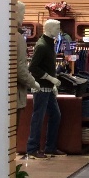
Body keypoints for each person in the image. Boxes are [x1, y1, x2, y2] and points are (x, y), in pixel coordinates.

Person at [25, 19, 66, 159]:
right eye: (57, 28)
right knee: (38, 117)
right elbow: (33, 67)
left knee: (55, 115)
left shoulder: (49, 44)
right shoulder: (42, 45)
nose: (59, 31)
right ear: (49, 29)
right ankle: (32, 148)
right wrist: (50, 79)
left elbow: (46, 66)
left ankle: (50, 147)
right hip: (41, 87)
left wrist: (52, 83)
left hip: (47, 87)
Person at [16, 1, 40, 128]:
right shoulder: (17, 38)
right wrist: (33, 83)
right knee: (12, 132)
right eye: (23, 13)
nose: (24, 16)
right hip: (15, 95)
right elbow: (20, 68)